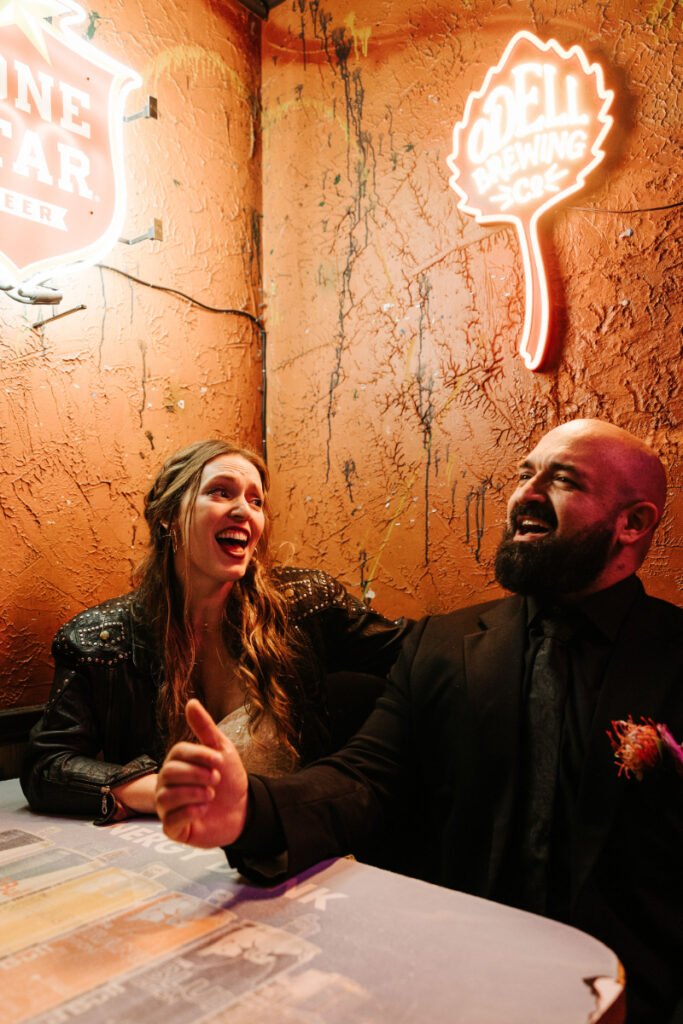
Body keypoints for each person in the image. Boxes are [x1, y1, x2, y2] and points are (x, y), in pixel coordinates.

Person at [155, 420, 683, 1024]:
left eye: (562, 480)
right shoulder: (445, 644)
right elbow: (363, 780)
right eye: (524, 474)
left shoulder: (673, 655)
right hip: (453, 985)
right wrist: (251, 809)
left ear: (633, 523)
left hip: (638, 999)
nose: (525, 495)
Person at [21, 439, 409, 824]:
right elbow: (46, 765)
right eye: (221, 492)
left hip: (291, 843)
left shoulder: (306, 606)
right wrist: (158, 792)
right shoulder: (100, 641)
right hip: (173, 849)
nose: (244, 510)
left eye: (256, 501)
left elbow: (414, 656)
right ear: (167, 517)